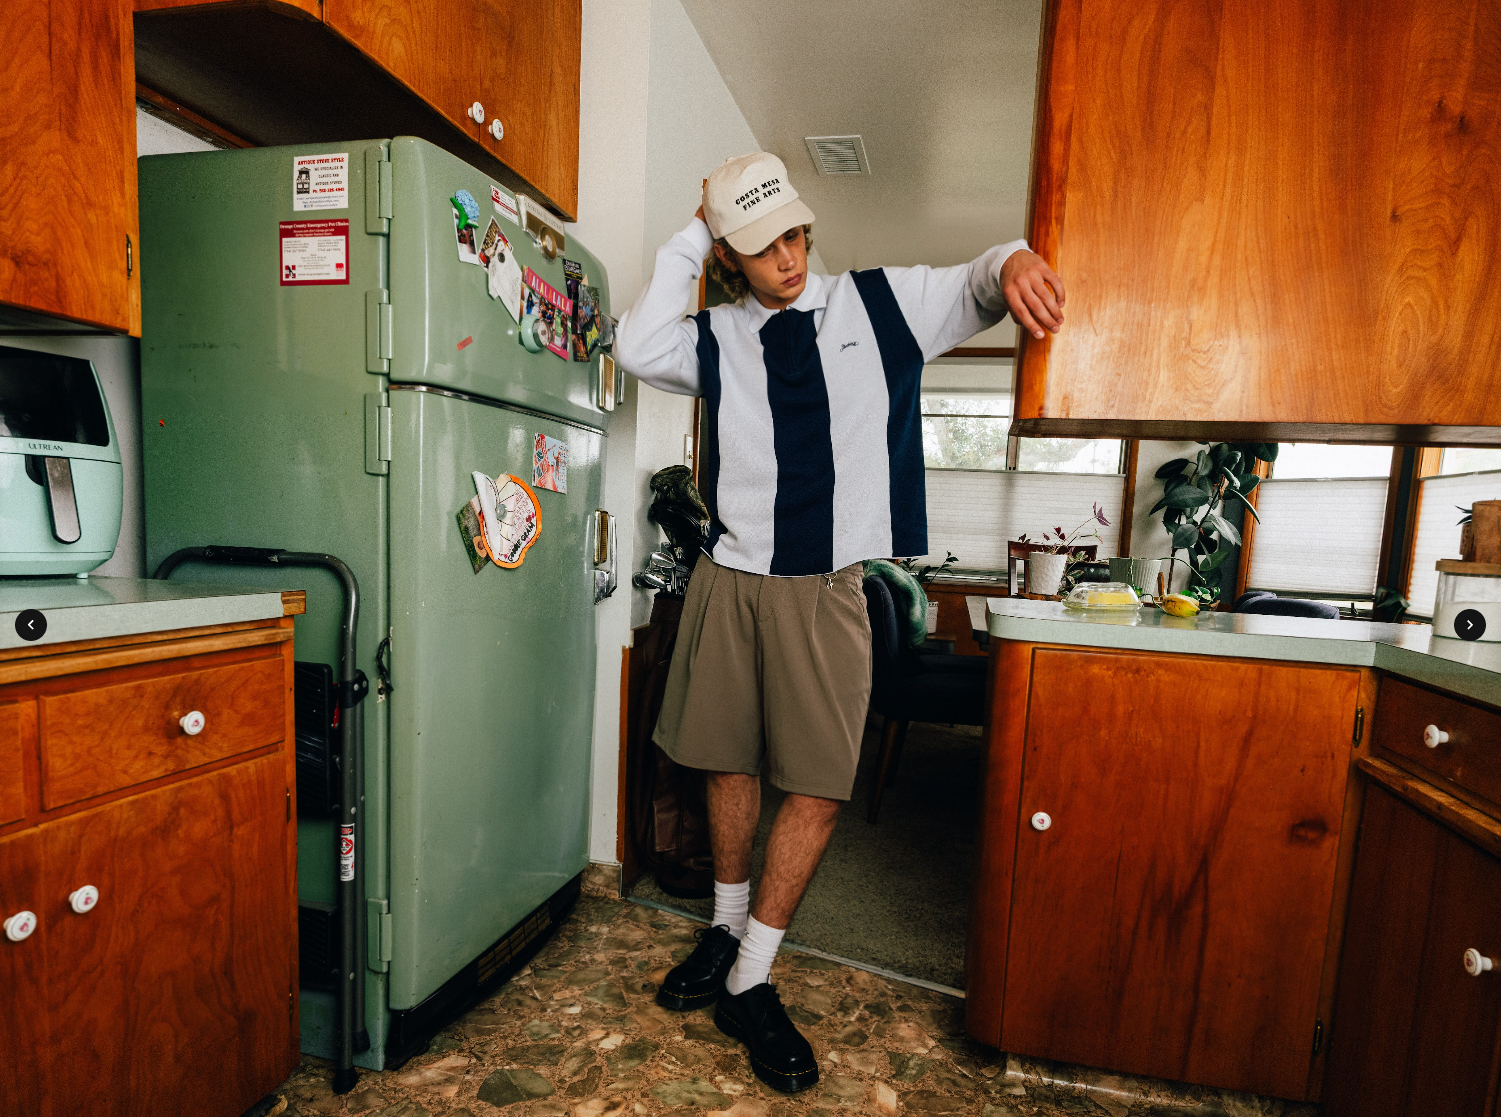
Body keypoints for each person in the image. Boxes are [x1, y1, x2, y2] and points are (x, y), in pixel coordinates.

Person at [613, 152, 1065, 1093]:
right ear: (732, 261)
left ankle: (752, 975)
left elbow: (980, 278)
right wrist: (695, 231)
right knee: (725, 761)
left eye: (790, 234)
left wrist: (1015, 253)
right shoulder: (714, 336)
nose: (784, 256)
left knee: (816, 784)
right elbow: (632, 341)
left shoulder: (878, 304)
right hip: (730, 578)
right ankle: (724, 927)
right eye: (759, 246)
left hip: (826, 590)